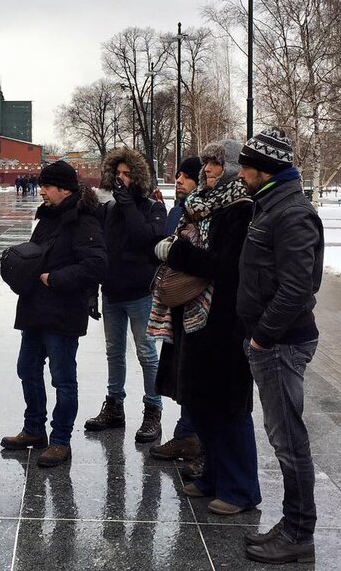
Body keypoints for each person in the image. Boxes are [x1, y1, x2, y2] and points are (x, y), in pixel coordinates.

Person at [150, 140, 261, 516]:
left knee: (229, 408)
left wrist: (177, 253)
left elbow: (225, 267)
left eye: (217, 163)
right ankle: (213, 476)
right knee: (203, 405)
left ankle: (241, 489)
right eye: (207, 163)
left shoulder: (240, 209)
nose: (208, 169)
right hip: (196, 319)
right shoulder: (200, 205)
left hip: (225, 322)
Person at [237, 129, 323, 565]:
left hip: (281, 344)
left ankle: (298, 533)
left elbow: (297, 288)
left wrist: (262, 336)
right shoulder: (270, 204)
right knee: (283, 437)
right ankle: (292, 524)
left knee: (289, 441)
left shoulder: (290, 212)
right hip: (273, 341)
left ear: (264, 169)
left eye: (245, 166)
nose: (240, 173)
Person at [1, 160, 107, 467]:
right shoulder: (48, 216)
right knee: (27, 369)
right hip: (35, 308)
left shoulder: (83, 220)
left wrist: (55, 278)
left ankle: (60, 440)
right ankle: (34, 429)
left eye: (47, 186)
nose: (42, 191)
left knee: (63, 379)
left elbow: (97, 265)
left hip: (63, 312)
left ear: (64, 189)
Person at [83, 147, 166, 442]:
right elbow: (98, 251)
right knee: (114, 351)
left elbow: (146, 239)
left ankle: (153, 409)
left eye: (127, 174)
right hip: (112, 291)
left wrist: (129, 205)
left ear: (138, 177)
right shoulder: (109, 210)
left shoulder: (152, 207)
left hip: (140, 293)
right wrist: (92, 291)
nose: (121, 179)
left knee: (146, 353)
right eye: (117, 174)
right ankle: (114, 405)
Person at [149, 157, 204, 467]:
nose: (179, 180)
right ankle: (187, 433)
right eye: (178, 174)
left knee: (194, 374)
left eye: (186, 176)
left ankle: (193, 437)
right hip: (178, 303)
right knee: (182, 370)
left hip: (197, 304)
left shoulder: (204, 214)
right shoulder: (178, 211)